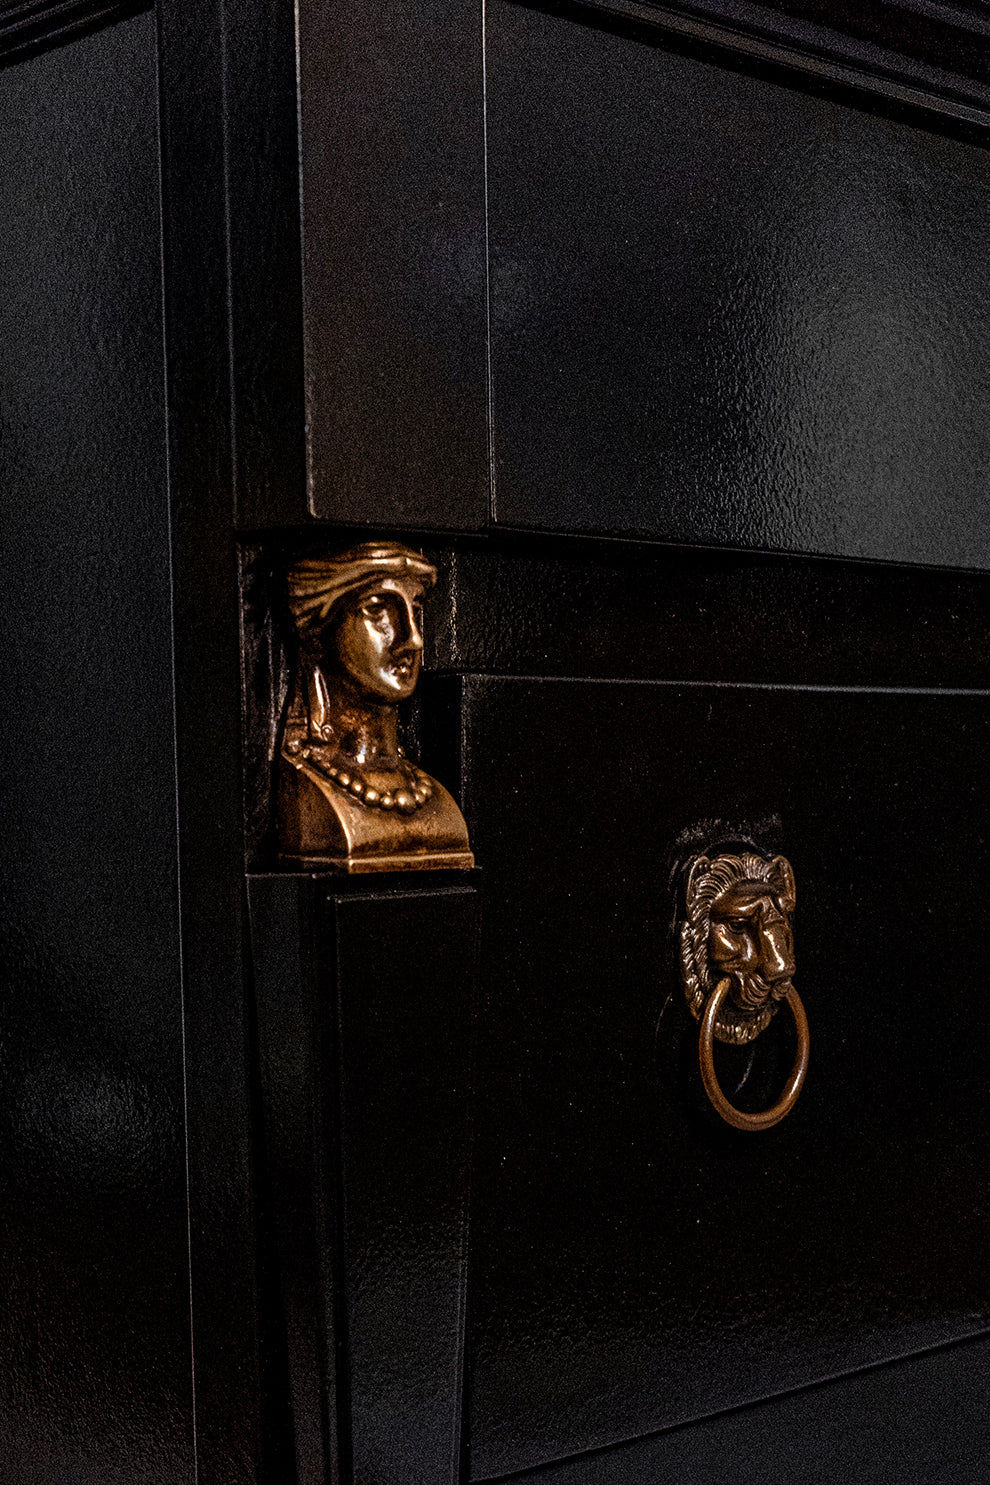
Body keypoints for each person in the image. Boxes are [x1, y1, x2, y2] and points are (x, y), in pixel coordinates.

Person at [277, 541, 474, 871]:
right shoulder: (308, 790)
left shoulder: (434, 799)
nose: (413, 638)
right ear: (319, 632)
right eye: (378, 607)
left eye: (415, 607)